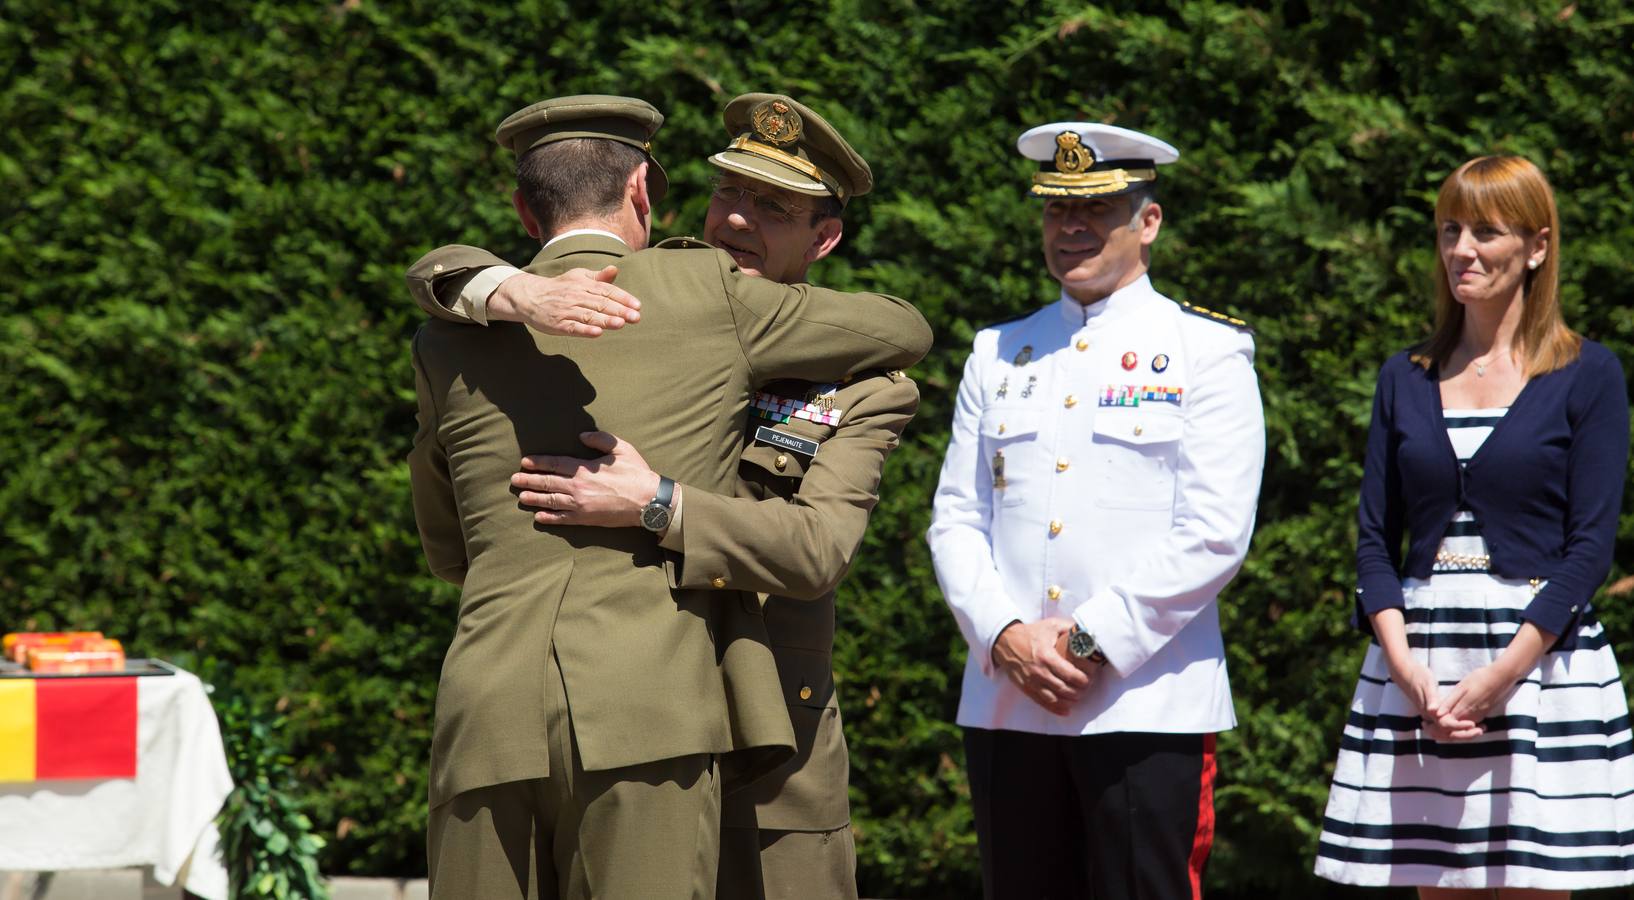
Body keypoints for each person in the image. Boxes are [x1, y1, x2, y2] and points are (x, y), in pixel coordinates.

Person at [406, 94, 932, 900]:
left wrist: (659, 502)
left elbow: (817, 551)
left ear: (824, 237)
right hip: (648, 717)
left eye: (773, 207)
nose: (738, 223)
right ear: (653, 194)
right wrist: (499, 288)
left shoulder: (859, 386)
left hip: (772, 770)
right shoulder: (667, 291)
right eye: (730, 193)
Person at [926, 121, 1265, 899]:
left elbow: (1215, 532)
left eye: (1097, 211)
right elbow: (955, 517)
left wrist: (1087, 640)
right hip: (1010, 699)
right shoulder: (997, 351)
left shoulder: (1205, 350)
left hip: (1145, 702)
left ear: (1148, 222)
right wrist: (1005, 636)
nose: (1071, 228)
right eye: (1056, 210)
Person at [1314, 156, 1634, 895]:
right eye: (1451, 229)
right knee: (1438, 886)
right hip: (1422, 675)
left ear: (1538, 246)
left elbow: (1589, 550)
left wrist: (1501, 676)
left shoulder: (1589, 374)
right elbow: (1374, 541)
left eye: (1486, 232)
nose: (1462, 249)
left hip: (1539, 673)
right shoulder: (1406, 375)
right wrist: (1404, 666)